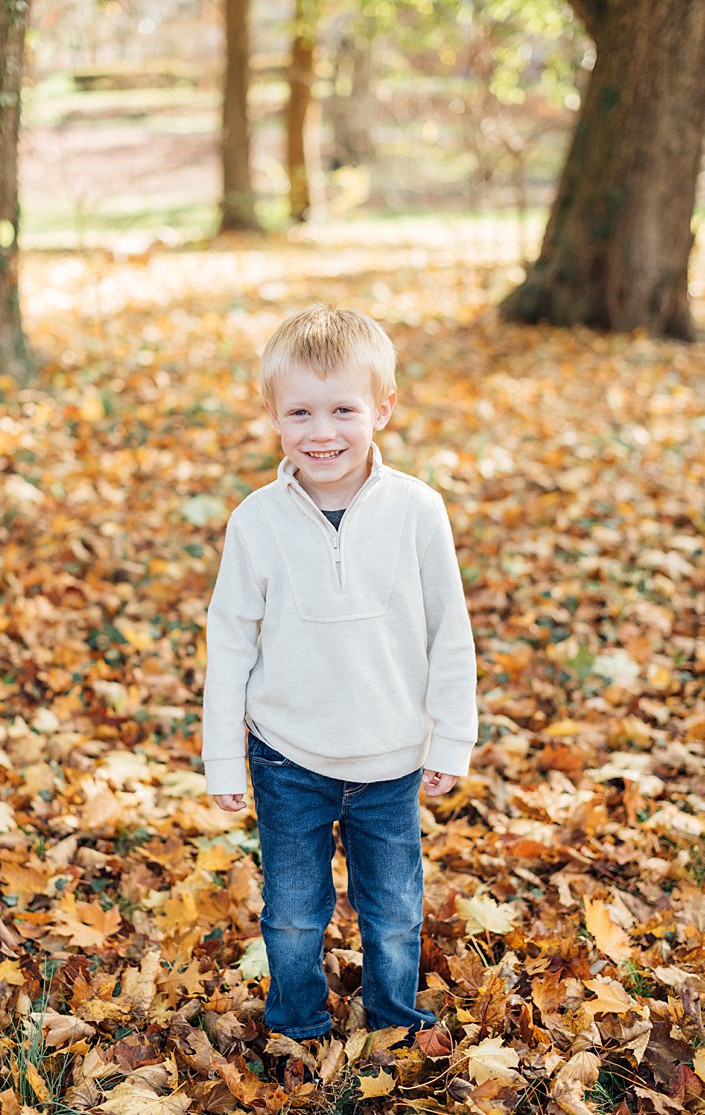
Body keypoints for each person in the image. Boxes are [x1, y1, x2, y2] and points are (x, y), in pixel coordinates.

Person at [201, 305, 477, 1064]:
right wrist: (224, 758)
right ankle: (297, 1021)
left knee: (392, 909)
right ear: (274, 416)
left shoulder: (418, 510)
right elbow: (228, 642)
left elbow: (448, 631)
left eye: (343, 410)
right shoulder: (256, 521)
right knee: (293, 910)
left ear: (382, 408)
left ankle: (393, 1013)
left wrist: (451, 736)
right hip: (289, 756)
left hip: (390, 759)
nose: (321, 431)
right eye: (300, 411)